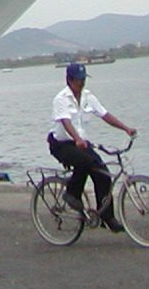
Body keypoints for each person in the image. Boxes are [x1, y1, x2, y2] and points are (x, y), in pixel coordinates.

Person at [47, 62, 137, 231]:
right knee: (86, 162)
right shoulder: (61, 99)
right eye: (78, 80)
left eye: (83, 79)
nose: (82, 83)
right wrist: (77, 139)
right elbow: (66, 121)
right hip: (61, 144)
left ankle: (107, 217)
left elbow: (105, 114)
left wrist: (126, 128)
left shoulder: (88, 97)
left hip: (80, 143)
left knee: (103, 174)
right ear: (69, 80)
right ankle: (72, 193)